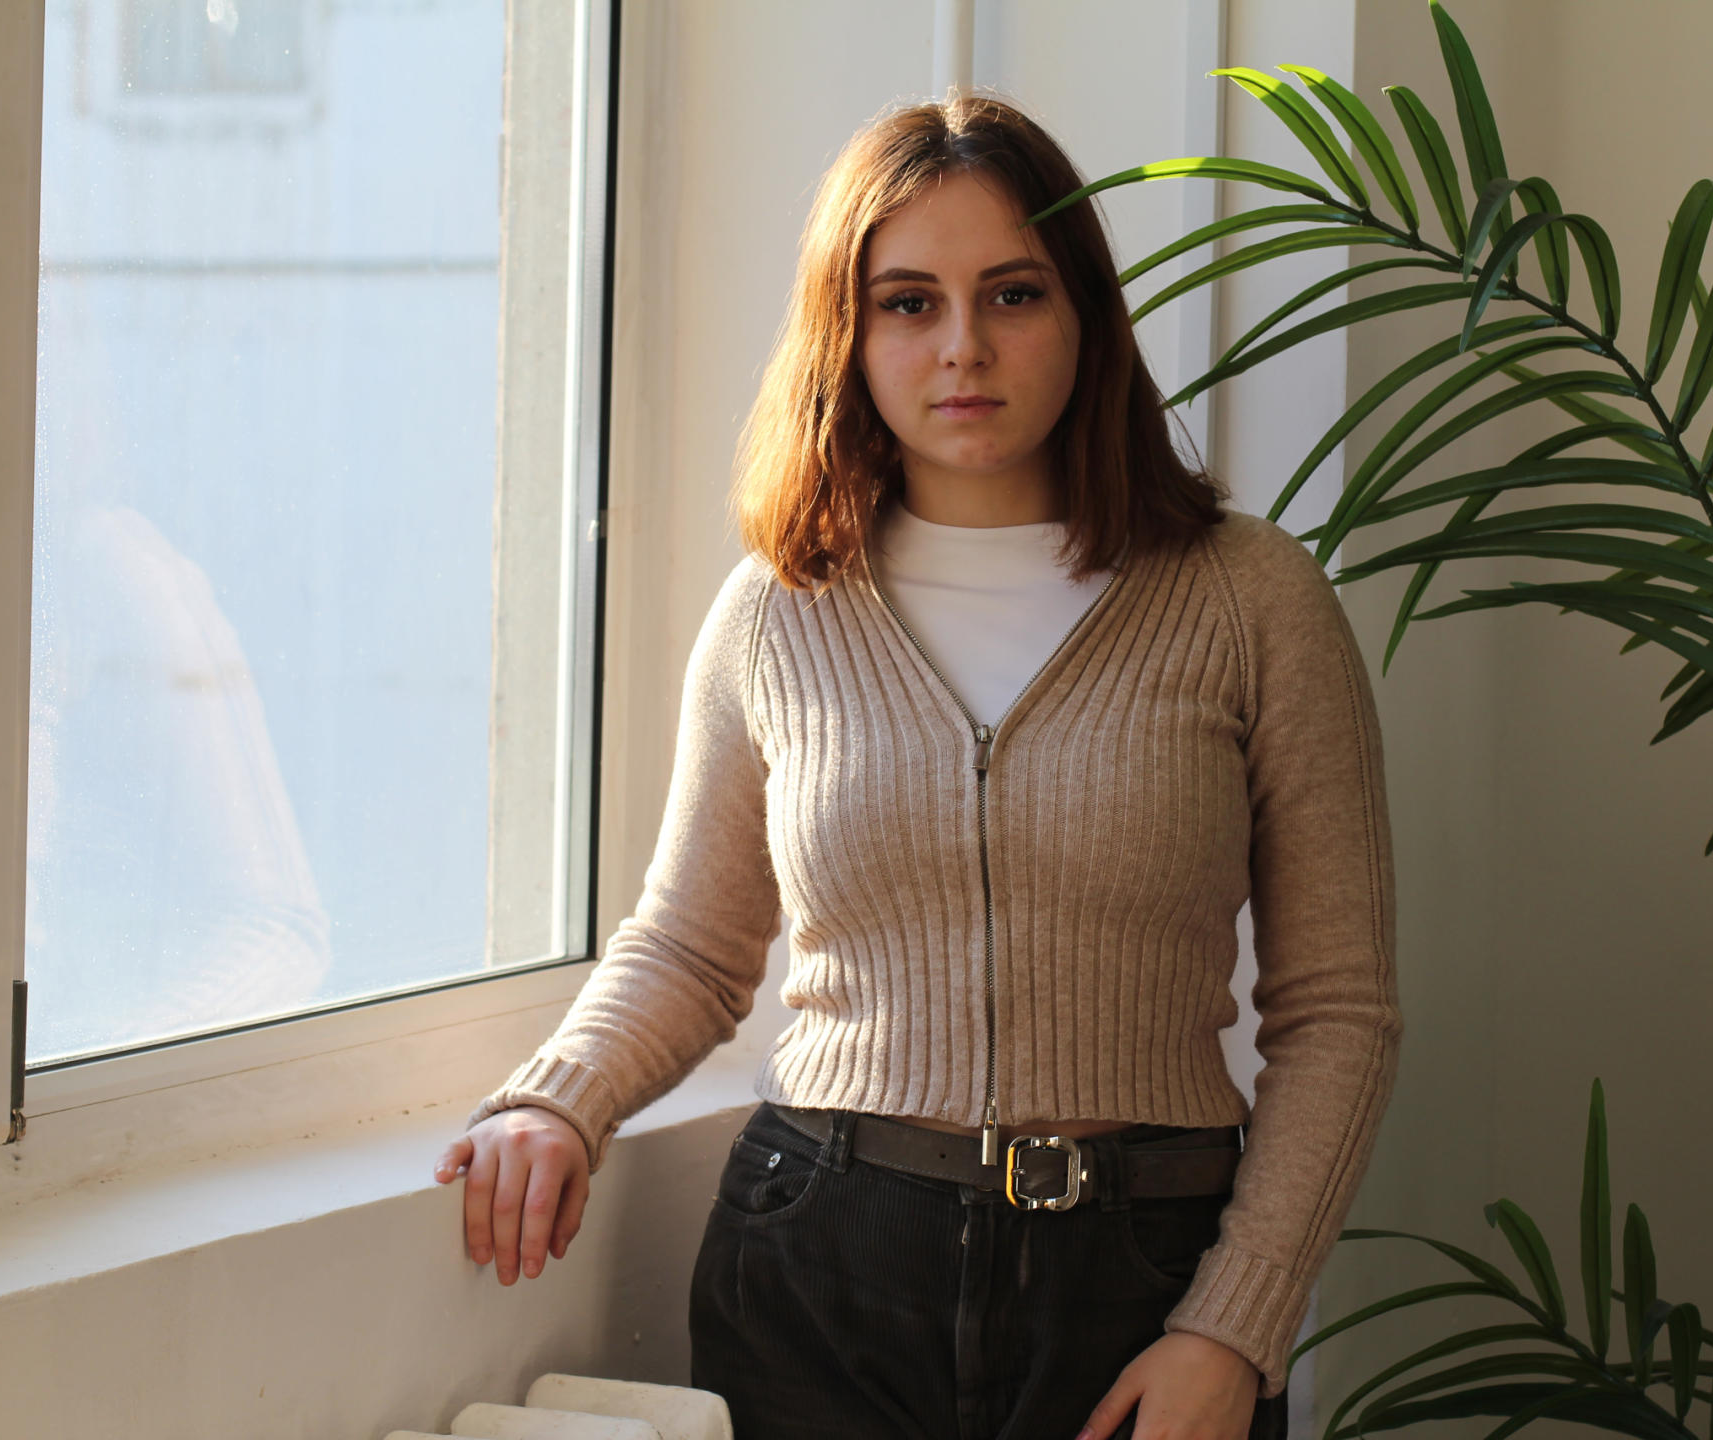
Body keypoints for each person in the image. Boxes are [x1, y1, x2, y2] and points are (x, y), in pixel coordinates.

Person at [434, 93, 1401, 1440]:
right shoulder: (776, 612)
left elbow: (1339, 1012)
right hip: (818, 1262)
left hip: (1147, 1274)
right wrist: (558, 1100)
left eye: (1013, 293)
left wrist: (1234, 1324)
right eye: (907, 302)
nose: (963, 347)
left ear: (1086, 314)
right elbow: (692, 947)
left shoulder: (1253, 600)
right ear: (848, 331)